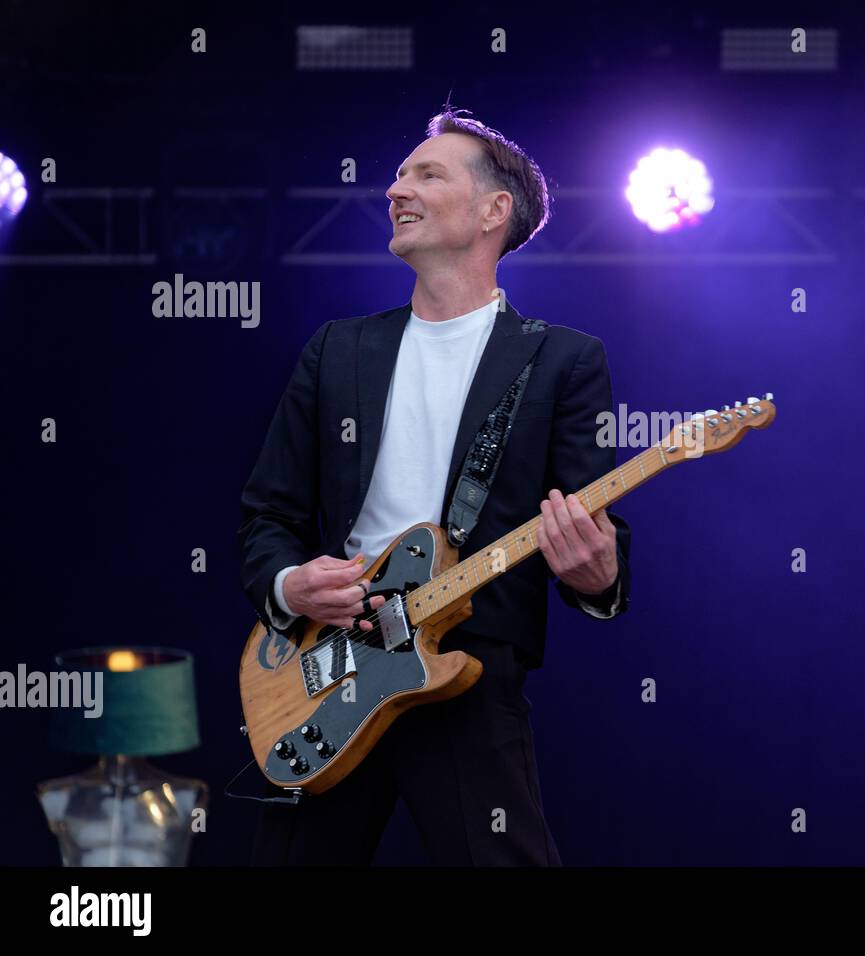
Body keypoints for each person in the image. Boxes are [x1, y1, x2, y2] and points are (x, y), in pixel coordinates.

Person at [237, 109, 631, 865]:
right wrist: (291, 586)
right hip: (330, 667)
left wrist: (597, 574)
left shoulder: (563, 362)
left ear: (494, 210)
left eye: (427, 173)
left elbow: (594, 535)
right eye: (398, 173)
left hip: (466, 668)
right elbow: (268, 513)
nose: (394, 189)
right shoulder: (338, 349)